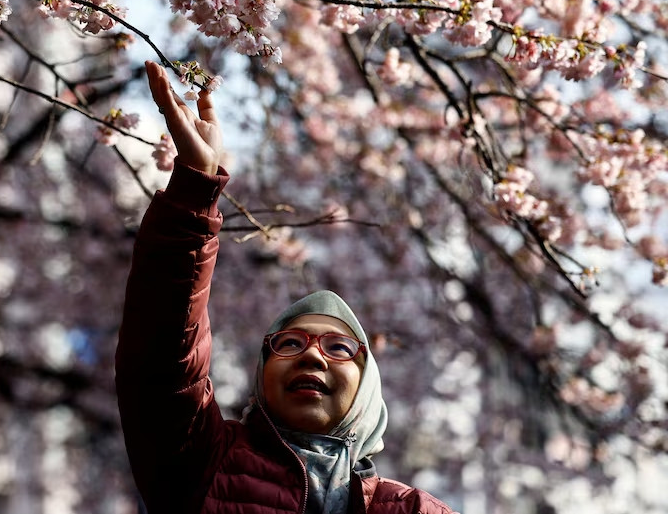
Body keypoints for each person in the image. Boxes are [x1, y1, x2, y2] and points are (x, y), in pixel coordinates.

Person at [116, 61, 457, 514]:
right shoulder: (205, 463)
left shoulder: (411, 510)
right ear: (261, 376)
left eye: (338, 347)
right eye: (289, 343)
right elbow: (161, 358)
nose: (312, 354)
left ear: (367, 385)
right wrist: (195, 189)